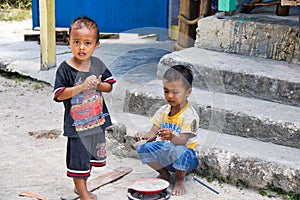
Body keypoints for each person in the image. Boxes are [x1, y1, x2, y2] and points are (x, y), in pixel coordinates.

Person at [53, 16, 116, 200]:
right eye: (76, 42)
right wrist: (80, 87)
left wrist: (98, 85)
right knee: (78, 160)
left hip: (95, 122)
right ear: (69, 42)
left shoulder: (97, 65)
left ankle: (81, 187)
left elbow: (109, 86)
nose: (81, 47)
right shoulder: (65, 69)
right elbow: (59, 95)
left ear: (96, 45)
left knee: (88, 159)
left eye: (87, 43)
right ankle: (83, 194)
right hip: (77, 127)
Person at [135, 65, 199, 196]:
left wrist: (171, 137)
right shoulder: (163, 111)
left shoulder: (189, 115)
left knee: (179, 149)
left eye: (175, 92)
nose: (169, 96)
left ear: (188, 92)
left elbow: (182, 141)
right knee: (142, 149)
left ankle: (180, 179)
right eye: (166, 91)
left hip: (186, 159)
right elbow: (152, 133)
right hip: (166, 156)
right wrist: (142, 138)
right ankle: (164, 173)